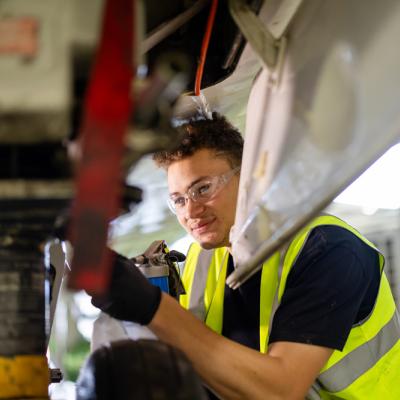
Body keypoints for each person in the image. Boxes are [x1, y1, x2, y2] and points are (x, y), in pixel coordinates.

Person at [92, 113, 400, 399]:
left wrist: (152, 307)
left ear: (249, 177)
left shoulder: (330, 250)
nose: (191, 211)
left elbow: (280, 390)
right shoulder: (200, 259)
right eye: (179, 199)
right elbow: (202, 362)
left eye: (203, 189)